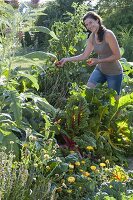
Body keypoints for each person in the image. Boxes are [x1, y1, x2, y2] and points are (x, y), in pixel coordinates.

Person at [56, 11, 123, 100]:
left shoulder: (108, 34)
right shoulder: (92, 37)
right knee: (88, 91)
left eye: (90, 22)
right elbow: (84, 55)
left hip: (114, 73)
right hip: (100, 70)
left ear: (97, 20)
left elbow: (117, 56)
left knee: (114, 101)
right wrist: (66, 59)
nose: (89, 26)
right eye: (86, 25)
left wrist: (98, 61)